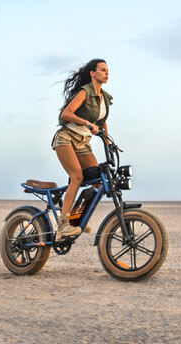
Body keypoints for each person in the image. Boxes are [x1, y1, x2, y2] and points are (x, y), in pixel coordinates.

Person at [51, 58, 112, 240]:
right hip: (66, 138)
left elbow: (102, 122)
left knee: (98, 180)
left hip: (83, 142)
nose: (106, 73)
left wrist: (109, 142)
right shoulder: (85, 92)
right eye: (102, 70)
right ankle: (63, 226)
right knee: (77, 176)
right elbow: (66, 114)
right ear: (93, 73)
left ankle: (76, 218)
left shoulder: (104, 98)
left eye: (107, 70)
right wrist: (87, 123)